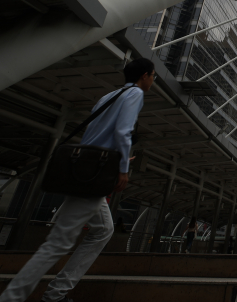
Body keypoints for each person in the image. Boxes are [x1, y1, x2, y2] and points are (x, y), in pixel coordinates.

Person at [0, 58, 153, 302]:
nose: (153, 81)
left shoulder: (108, 97)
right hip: (93, 178)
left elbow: (94, 136)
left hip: (84, 169)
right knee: (58, 243)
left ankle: (57, 293)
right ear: (145, 75)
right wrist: (122, 168)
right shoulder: (134, 94)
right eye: (152, 76)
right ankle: (16, 297)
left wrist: (113, 160)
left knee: (103, 230)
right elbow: (122, 132)